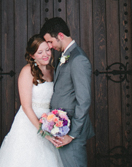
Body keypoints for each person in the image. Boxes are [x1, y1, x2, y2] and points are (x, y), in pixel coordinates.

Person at [0, 35, 64, 167]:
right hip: (29, 122)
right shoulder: (27, 71)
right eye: (40, 52)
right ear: (32, 55)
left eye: (47, 50)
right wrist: (42, 132)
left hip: (48, 121)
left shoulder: (53, 71)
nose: (45, 55)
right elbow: (26, 106)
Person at [40, 17, 94, 167]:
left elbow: (84, 100)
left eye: (50, 42)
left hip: (71, 131)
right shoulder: (66, 56)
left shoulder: (78, 60)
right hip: (61, 130)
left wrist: (71, 134)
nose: (49, 47)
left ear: (61, 35)